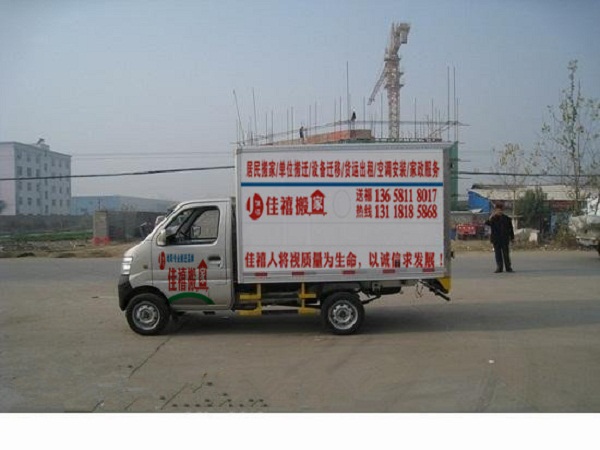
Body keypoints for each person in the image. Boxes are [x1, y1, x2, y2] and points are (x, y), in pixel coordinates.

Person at [484, 203, 515, 273]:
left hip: (505, 239)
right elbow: (486, 223)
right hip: (496, 239)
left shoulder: (507, 219)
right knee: (498, 254)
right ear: (495, 211)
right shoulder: (493, 219)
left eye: (500, 210)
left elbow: (511, 229)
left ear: (502, 210)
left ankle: (508, 267)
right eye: (497, 210)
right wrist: (491, 217)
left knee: (506, 254)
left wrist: (512, 238)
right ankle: (499, 267)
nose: (499, 211)